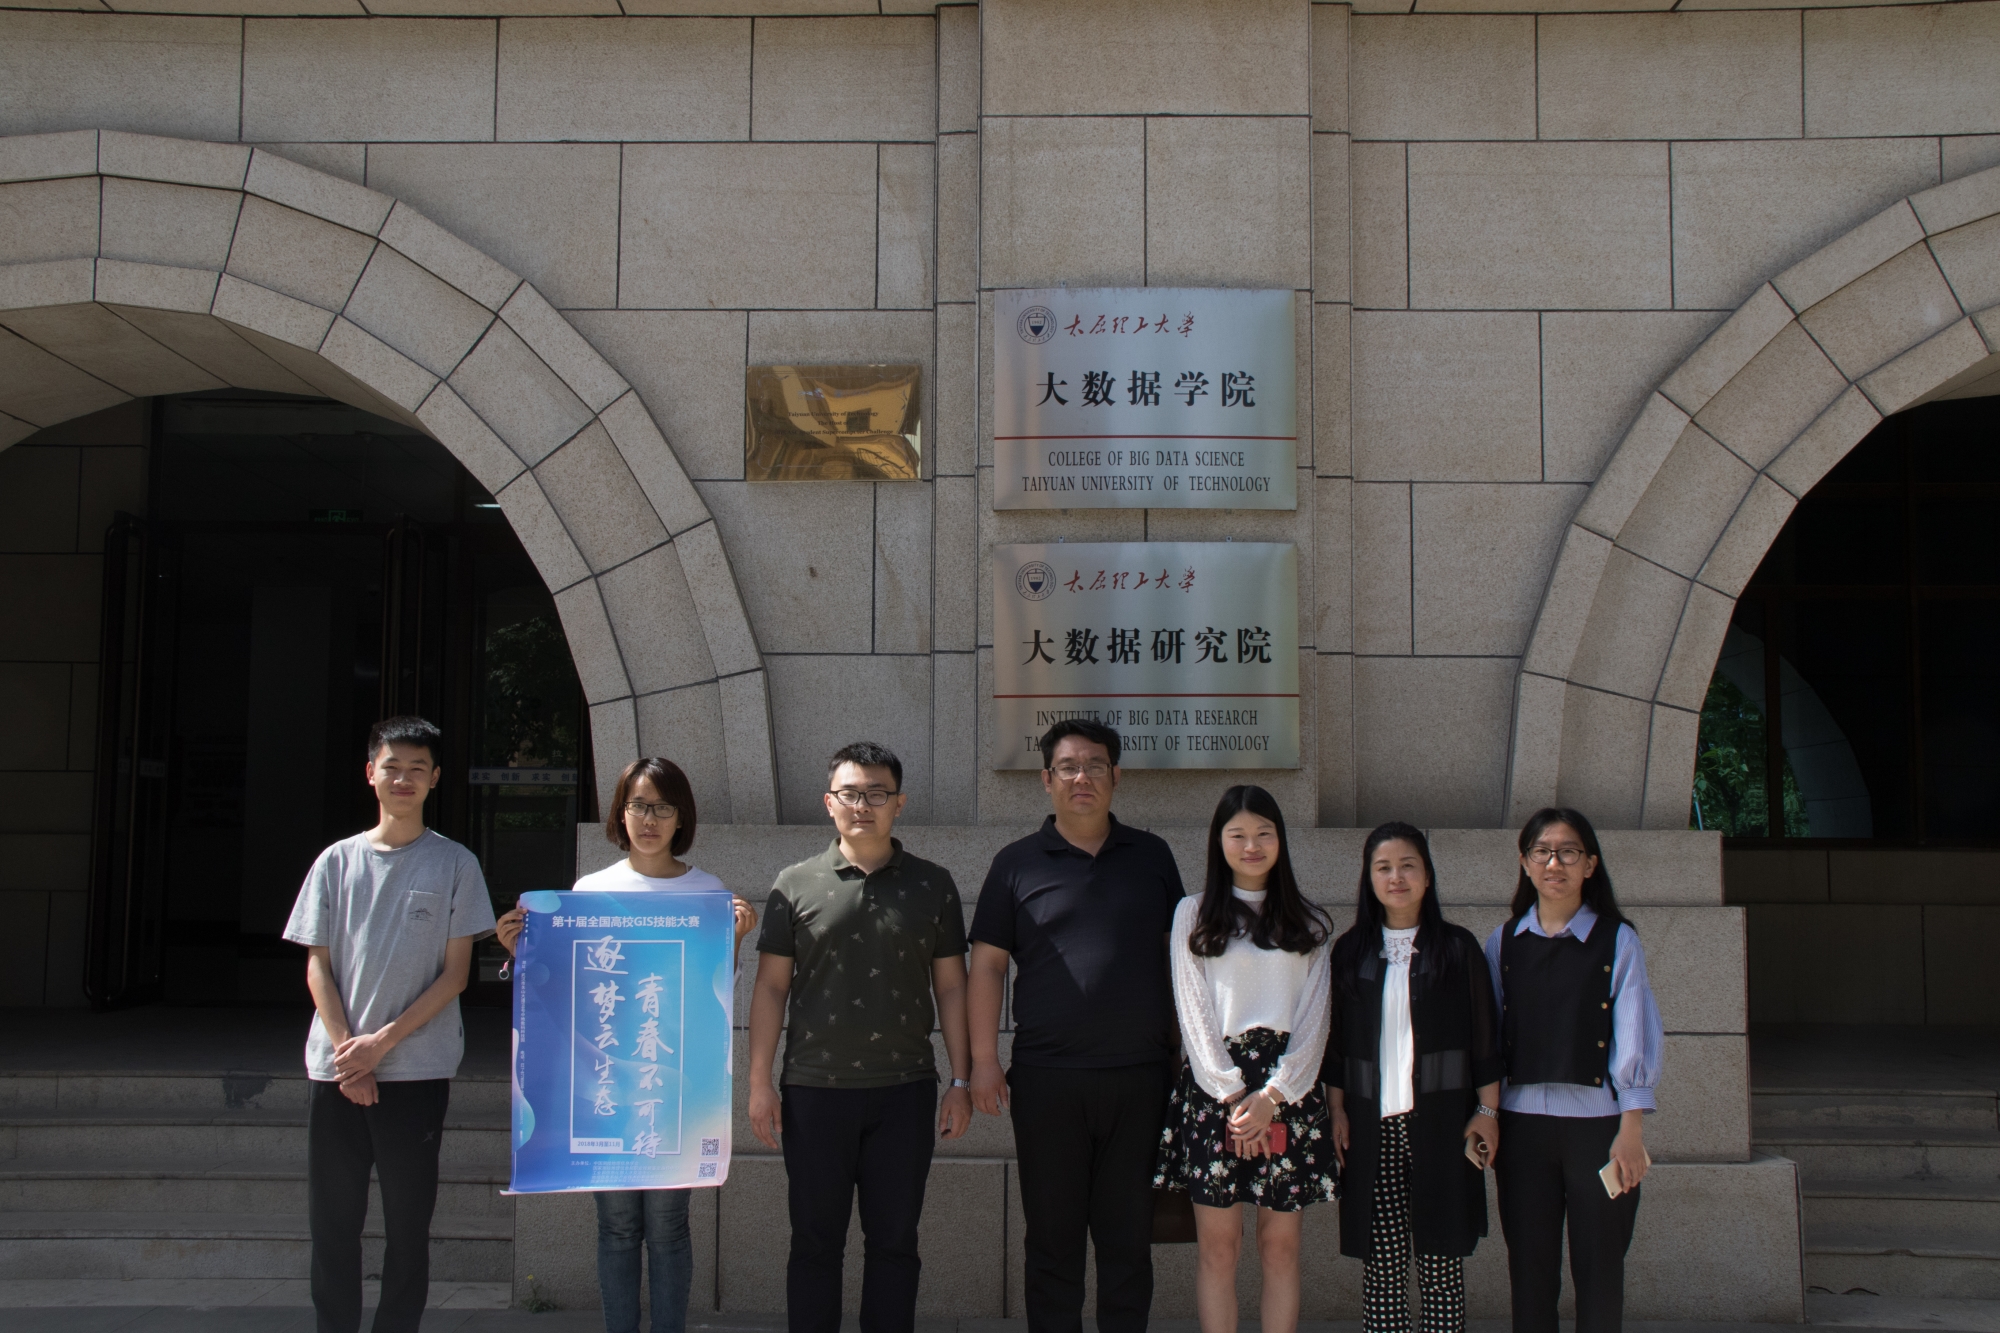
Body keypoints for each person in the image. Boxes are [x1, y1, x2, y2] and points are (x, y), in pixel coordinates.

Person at [495, 757, 759, 1333]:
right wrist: (524, 952)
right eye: (638, 805)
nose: (649, 819)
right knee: (616, 1228)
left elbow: (714, 997)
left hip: (674, 1091)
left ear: (681, 817)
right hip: (606, 1091)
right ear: (619, 814)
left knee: (668, 1228)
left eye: (663, 807)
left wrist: (734, 941)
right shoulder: (591, 891)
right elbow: (566, 993)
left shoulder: (707, 892)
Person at [745, 742, 973, 1333]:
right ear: (829, 803)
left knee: (895, 1243)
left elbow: (952, 987)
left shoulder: (934, 884)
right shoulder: (793, 884)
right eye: (850, 793)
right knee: (814, 1242)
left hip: (905, 1090)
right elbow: (770, 987)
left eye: (877, 793)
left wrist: (961, 1079)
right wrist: (759, 1083)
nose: (863, 805)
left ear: (899, 803)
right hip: (813, 1090)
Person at [967, 719, 1186, 1333]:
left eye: (1094, 765)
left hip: (1140, 1080)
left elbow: (1181, 963)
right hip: (1047, 1082)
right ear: (1047, 779)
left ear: (1116, 776)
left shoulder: (1152, 856)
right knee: (1052, 1243)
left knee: (1128, 1244)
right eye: (1068, 766)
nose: (1081, 777)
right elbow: (987, 966)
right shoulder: (1014, 864)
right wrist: (983, 1061)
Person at [282, 716, 498, 1333]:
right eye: (392, 766)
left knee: (408, 1227)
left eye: (417, 768)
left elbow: (456, 975)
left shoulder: (455, 864)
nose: (403, 778)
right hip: (336, 1073)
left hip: (416, 1072)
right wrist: (349, 1056)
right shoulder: (336, 862)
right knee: (333, 1226)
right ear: (370, 773)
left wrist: (381, 1045)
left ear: (435, 778)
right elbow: (318, 966)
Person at [1153, 785, 1336, 1333]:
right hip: (1215, 1093)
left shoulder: (1309, 922)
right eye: (1238, 834)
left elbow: (1315, 1020)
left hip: (1288, 1092)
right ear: (1219, 841)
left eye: (1263, 833)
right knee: (1218, 1249)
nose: (1251, 845)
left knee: (1279, 1247)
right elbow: (1192, 1011)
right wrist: (1236, 1095)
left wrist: (1273, 1097)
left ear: (1281, 840)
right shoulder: (1193, 913)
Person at [1484, 808, 1663, 1333]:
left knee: (1601, 1270)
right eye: (1542, 852)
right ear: (1525, 862)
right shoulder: (1501, 943)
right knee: (1530, 1273)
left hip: (1600, 1132)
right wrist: (1486, 1115)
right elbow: (1488, 1038)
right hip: (1522, 1131)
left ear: (1590, 865)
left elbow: (1634, 1031)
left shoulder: (1618, 941)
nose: (1554, 863)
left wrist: (1631, 1130)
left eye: (1568, 852)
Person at [1323, 822, 1502, 1333]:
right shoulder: (1351, 952)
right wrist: (1336, 1109)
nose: (1396, 877)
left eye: (1408, 866)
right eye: (1383, 867)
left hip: (1444, 1126)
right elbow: (1337, 1044)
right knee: (1383, 1269)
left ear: (1427, 876)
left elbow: (1485, 1040)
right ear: (1369, 878)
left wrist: (1487, 1111)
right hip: (1371, 1127)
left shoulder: (1458, 949)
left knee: (1441, 1263)